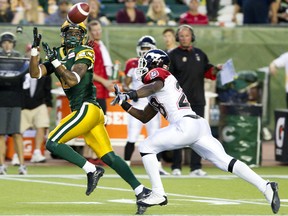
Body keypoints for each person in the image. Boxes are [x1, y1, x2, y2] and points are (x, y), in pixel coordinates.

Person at [110, 49, 281, 214]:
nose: (142, 67)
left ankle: (158, 193)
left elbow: (154, 87)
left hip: (185, 125)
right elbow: (144, 116)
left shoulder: (160, 77)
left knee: (147, 146)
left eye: (145, 63)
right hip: (197, 125)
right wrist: (124, 102)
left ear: (156, 65)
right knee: (225, 162)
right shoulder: (155, 90)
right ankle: (265, 186)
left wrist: (129, 94)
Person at [29, 21, 151, 215]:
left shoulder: (85, 51)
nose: (73, 36)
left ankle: (92, 170)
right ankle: (141, 191)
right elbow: (35, 73)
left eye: (78, 33)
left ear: (83, 37)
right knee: (109, 156)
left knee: (52, 142)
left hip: (88, 108)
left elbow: (73, 79)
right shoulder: (58, 53)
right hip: (86, 112)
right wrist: (35, 51)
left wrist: (55, 63)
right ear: (63, 35)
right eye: (70, 32)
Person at [168, 24, 220, 176]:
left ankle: (196, 167)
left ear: (192, 37)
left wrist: (217, 69)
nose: (184, 38)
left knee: (198, 133)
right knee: (178, 132)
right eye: (182, 35)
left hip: (198, 99)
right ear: (178, 38)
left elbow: (209, 72)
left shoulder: (200, 54)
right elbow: (168, 78)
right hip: (180, 102)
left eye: (187, 35)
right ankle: (176, 167)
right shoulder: (172, 55)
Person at [122, 35, 169, 175]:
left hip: (152, 104)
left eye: (148, 48)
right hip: (137, 102)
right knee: (132, 136)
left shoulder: (157, 65)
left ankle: (158, 166)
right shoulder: (132, 64)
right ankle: (125, 165)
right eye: (143, 48)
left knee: (155, 137)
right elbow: (126, 82)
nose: (145, 51)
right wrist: (129, 90)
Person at [0, 32, 27, 175]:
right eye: (4, 42)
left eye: (9, 42)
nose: (7, 44)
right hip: (1, 100)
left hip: (16, 100)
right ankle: (1, 165)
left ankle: (22, 165)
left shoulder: (19, 59)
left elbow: (23, 78)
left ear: (13, 44)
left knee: (17, 133)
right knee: (1, 134)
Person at [21, 44, 52, 163]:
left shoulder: (44, 69)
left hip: (39, 104)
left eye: (36, 52)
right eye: (31, 52)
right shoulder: (20, 69)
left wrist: (49, 105)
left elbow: (47, 91)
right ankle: (16, 154)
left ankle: (37, 152)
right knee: (18, 130)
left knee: (41, 126)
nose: (34, 54)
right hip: (23, 105)